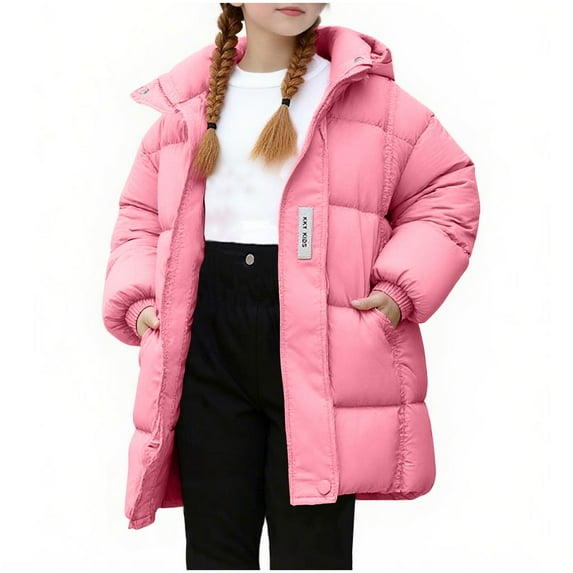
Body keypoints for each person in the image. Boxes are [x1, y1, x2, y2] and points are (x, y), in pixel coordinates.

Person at [101, 2, 480, 570]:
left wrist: (398, 291)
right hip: (207, 339)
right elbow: (139, 215)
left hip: (322, 341)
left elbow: (445, 190)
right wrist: (140, 302)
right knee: (215, 548)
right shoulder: (187, 106)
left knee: (312, 549)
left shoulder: (370, 101)